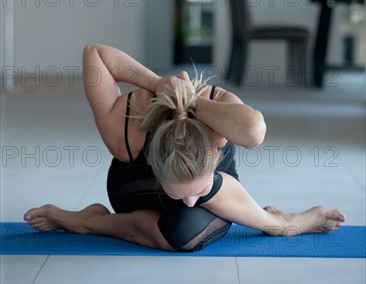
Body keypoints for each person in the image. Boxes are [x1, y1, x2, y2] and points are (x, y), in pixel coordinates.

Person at [24, 44, 346, 252]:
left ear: (216, 149)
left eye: (198, 191)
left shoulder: (219, 124)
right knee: (188, 224)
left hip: (209, 188)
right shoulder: (123, 129)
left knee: (183, 234)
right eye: (180, 193)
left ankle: (278, 224)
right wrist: (155, 83)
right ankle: (88, 221)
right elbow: (95, 54)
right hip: (134, 192)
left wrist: (191, 100)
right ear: (153, 163)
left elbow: (254, 130)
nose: (193, 201)